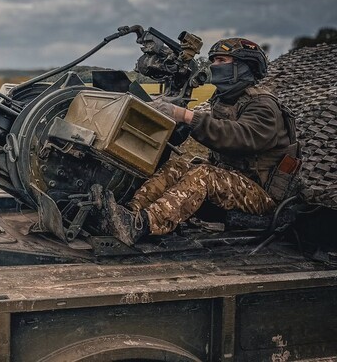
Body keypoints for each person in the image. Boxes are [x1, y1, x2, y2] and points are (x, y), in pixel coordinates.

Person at [99, 37, 298, 246]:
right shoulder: (226, 101)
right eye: (214, 61)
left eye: (221, 60)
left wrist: (186, 116)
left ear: (243, 67)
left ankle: (144, 225)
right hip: (233, 183)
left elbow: (239, 137)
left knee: (204, 175)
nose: (214, 66)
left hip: (262, 196)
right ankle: (129, 214)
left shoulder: (264, 106)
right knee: (178, 165)